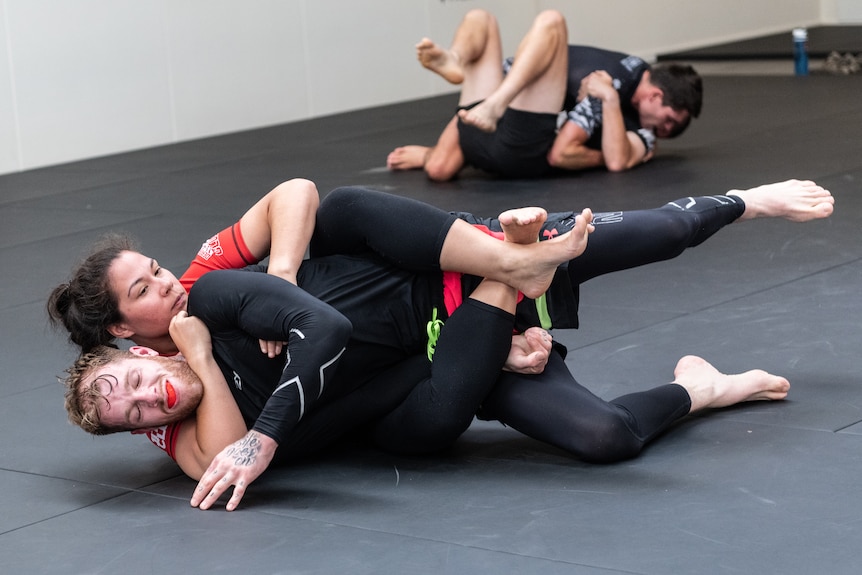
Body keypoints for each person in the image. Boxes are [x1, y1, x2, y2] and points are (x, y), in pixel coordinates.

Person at [50, 179, 832, 510]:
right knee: (605, 437)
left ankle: (743, 200)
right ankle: (702, 384)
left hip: (440, 263)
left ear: (137, 352)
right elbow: (207, 440)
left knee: (660, 232)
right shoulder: (189, 428)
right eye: (135, 413)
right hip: (453, 349)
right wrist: (492, 347)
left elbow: (302, 216)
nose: (165, 283)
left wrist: (280, 277)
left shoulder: (207, 290)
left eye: (155, 273)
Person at [385, 9, 702, 179]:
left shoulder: (638, 132)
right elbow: (582, 155)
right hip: (499, 118)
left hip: (513, 130)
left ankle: (491, 97)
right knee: (439, 168)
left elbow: (615, 159)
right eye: (670, 122)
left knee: (548, 22)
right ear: (655, 96)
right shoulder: (617, 84)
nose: (666, 132)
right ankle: (456, 59)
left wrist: (607, 104)